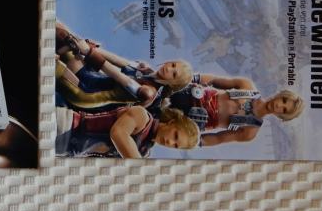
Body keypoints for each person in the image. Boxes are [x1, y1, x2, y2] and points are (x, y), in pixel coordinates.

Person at [55, 22, 192, 111]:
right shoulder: (145, 70)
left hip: (86, 93)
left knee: (54, 63)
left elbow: (117, 75)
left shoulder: (149, 92)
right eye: (173, 65)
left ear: (172, 84)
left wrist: (89, 52)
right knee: (64, 34)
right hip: (90, 77)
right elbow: (116, 59)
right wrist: (88, 46)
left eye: (174, 74)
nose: (169, 69)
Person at [165, 74, 303, 146]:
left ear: (281, 116)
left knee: (159, 122)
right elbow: (214, 80)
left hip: (191, 121)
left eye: (284, 110)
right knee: (158, 91)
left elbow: (219, 138)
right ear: (280, 95)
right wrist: (192, 78)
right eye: (283, 101)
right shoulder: (247, 86)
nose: (279, 106)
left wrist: (192, 142)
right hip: (190, 95)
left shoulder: (250, 132)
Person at [56, 104, 199, 158]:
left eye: (175, 145)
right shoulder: (142, 116)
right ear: (172, 123)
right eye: (175, 136)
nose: (170, 142)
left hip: (66, 150)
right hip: (64, 125)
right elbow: (118, 133)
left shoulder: (143, 151)